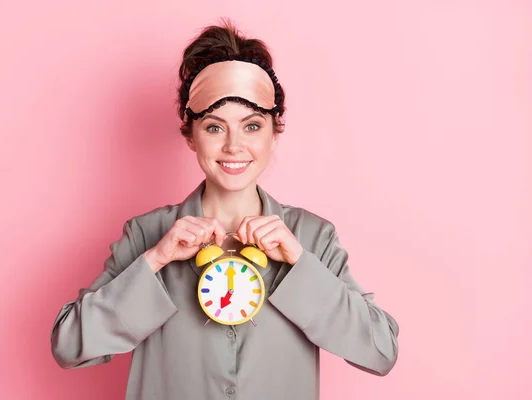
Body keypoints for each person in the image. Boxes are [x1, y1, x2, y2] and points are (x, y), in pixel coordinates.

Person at [50, 20, 399, 400]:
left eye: (251, 126)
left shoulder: (312, 237)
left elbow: (380, 352)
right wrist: (156, 259)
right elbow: (69, 347)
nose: (234, 146)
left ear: (274, 132)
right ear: (190, 134)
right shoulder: (148, 234)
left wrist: (299, 263)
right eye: (215, 128)